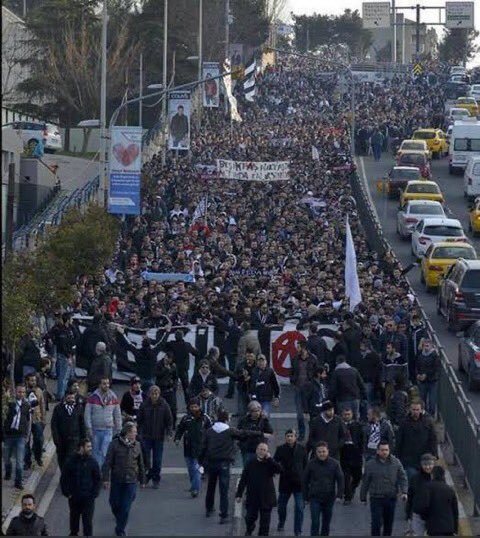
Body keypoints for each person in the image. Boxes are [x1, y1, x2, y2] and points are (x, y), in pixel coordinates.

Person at [199, 410, 264, 524]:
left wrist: (201, 462)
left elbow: (203, 447)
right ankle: (223, 514)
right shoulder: (229, 431)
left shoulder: (209, 431)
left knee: (211, 486)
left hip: (212, 462)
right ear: (226, 419)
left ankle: (209, 508)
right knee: (224, 489)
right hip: (224, 463)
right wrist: (259, 433)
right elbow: (244, 433)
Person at [102, 422, 146, 537]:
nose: (136, 434)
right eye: (134, 432)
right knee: (114, 503)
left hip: (131, 480)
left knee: (125, 507)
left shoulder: (137, 445)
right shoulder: (115, 444)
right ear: (128, 433)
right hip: (117, 479)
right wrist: (106, 479)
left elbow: (141, 464)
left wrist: (142, 480)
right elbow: (107, 462)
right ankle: (120, 518)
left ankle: (120, 529)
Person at [360, 442, 408, 537]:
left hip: (390, 497)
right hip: (376, 497)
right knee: (376, 523)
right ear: (377, 451)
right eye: (382, 450)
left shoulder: (396, 462)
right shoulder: (370, 464)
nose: (384, 452)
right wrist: (363, 497)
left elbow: (403, 477)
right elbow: (365, 481)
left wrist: (404, 491)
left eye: (386, 450)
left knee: (388, 523)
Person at [235, 442, 283, 536]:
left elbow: (280, 470)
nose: (262, 451)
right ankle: (250, 528)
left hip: (266, 498)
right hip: (253, 497)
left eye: (264, 450)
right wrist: (239, 494)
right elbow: (243, 479)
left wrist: (270, 459)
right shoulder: (250, 462)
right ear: (257, 450)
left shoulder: (270, 463)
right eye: (260, 449)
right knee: (249, 518)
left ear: (267, 452)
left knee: (265, 525)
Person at [60, 438, 101, 537]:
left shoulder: (93, 462)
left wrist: (94, 493)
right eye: (88, 446)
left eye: (90, 446)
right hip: (74, 497)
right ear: (81, 448)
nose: (90, 449)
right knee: (74, 520)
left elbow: (97, 479)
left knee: (87, 523)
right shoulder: (70, 462)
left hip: (88, 498)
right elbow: (64, 478)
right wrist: (67, 493)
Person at [302, 441, 344, 536]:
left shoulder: (335, 464)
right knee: (315, 522)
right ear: (316, 452)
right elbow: (304, 480)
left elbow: (341, 480)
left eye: (324, 451)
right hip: (314, 498)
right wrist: (305, 497)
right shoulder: (311, 464)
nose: (322, 454)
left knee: (326, 523)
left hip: (329, 498)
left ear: (327, 451)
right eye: (319, 452)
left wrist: (339, 495)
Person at [174, 398, 213, 497]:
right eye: (192, 407)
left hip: (200, 449)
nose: (194, 409)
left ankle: (195, 488)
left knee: (197, 469)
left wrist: (210, 443)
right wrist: (177, 438)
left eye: (196, 406)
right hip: (188, 447)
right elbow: (180, 429)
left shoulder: (205, 418)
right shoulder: (186, 418)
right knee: (191, 469)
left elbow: (211, 430)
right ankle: (194, 484)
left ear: (199, 407)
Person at [136, 385, 173, 488]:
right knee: (145, 459)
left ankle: (155, 478)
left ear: (159, 394)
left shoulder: (164, 405)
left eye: (156, 393)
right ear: (149, 394)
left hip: (159, 437)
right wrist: (138, 433)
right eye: (153, 393)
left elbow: (169, 421)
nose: (154, 396)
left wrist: (169, 433)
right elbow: (139, 420)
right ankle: (146, 476)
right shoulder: (144, 405)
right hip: (146, 436)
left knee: (157, 460)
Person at [274, 429, 308, 536]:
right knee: (281, 507)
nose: (289, 438)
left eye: (291, 436)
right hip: (285, 482)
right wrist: (278, 470)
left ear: (295, 437)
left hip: (299, 483)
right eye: (288, 436)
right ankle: (281, 522)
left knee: (299, 508)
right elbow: (275, 462)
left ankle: (297, 530)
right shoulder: (280, 449)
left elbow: (306, 465)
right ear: (285, 437)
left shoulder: (302, 449)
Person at [395, 399, 437, 482]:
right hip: (408, 458)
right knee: (412, 479)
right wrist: (397, 455)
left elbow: (433, 438)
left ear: (421, 410)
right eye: (413, 409)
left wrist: (434, 454)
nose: (415, 412)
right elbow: (399, 440)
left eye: (417, 409)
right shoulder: (404, 423)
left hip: (424, 457)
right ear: (410, 410)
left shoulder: (428, 422)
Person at [85, 377, 122, 468]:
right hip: (95, 430)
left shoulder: (113, 397)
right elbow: (87, 414)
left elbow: (117, 413)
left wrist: (119, 428)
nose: (106, 385)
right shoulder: (93, 397)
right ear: (99, 385)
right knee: (96, 453)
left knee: (105, 453)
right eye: (104, 383)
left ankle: (103, 473)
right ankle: (97, 473)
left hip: (108, 430)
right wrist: (89, 427)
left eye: (107, 383)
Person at [416, 465, 459, 537]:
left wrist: (425, 518)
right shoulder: (450, 490)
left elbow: (422, 507)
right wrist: (455, 529)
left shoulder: (427, 488)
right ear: (443, 475)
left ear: (432, 475)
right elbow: (455, 511)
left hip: (434, 527)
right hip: (449, 528)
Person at [3, 383, 31, 489]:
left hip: (20, 436)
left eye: (23, 392)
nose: (21, 394)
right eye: (19, 392)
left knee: (19, 461)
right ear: (15, 392)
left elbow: (28, 420)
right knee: (6, 458)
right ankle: (8, 471)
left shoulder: (27, 405)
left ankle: (18, 481)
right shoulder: (10, 403)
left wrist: (27, 435)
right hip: (9, 435)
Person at [51, 390, 86, 471]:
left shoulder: (79, 408)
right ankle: (64, 477)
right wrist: (56, 439)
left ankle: (70, 478)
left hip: (74, 439)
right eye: (69, 397)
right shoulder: (58, 408)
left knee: (70, 459)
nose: (71, 399)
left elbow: (82, 424)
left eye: (73, 397)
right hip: (61, 440)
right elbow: (54, 425)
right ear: (65, 397)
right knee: (62, 460)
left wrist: (83, 439)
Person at [290, 340, 317, 441]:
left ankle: (313, 434)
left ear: (303, 348)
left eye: (298, 347)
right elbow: (292, 371)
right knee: (300, 414)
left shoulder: (313, 359)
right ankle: (302, 434)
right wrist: (293, 380)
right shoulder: (295, 359)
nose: (297, 349)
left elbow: (316, 371)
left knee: (311, 413)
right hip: (298, 388)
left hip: (310, 389)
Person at [164, 330, 200, 406]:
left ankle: (172, 405)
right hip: (184, 370)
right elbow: (196, 353)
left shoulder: (171, 344)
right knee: (186, 389)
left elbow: (162, 345)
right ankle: (189, 405)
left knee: (173, 389)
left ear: (175, 336)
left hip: (174, 369)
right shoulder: (187, 345)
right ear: (183, 336)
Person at [328, 355, 366, 419]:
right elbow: (361, 384)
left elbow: (333, 389)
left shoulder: (336, 373)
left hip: (342, 400)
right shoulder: (354, 370)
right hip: (355, 399)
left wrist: (330, 399)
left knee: (344, 420)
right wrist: (363, 396)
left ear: (337, 362)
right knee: (355, 419)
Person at [237, 400, 274, 467]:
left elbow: (270, 431)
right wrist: (261, 434)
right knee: (248, 467)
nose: (257, 413)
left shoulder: (263, 420)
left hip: (260, 448)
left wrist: (266, 420)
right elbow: (244, 432)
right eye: (255, 411)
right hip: (248, 448)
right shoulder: (244, 421)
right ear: (250, 412)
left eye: (258, 410)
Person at [405, 453, 434, 536]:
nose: (428, 467)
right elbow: (410, 496)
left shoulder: (437, 478)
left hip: (433, 513)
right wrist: (408, 514)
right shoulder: (415, 479)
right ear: (421, 465)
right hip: (417, 514)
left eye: (430, 464)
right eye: (425, 464)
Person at [340, 407, 365, 505]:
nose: (347, 416)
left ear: (352, 415)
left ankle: (352, 488)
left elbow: (362, 438)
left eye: (348, 414)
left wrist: (361, 450)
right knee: (345, 476)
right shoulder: (340, 425)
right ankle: (347, 496)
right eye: (345, 414)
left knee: (357, 475)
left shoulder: (358, 425)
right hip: (344, 451)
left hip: (355, 452)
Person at [24, 372, 46, 470]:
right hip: (25, 420)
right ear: (27, 381)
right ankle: (27, 462)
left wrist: (43, 419)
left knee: (39, 439)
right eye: (31, 380)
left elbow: (42, 405)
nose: (33, 382)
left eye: (34, 380)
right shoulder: (23, 391)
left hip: (37, 419)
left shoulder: (39, 391)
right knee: (26, 443)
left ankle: (38, 457)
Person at [415, 339, 440, 417]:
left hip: (432, 381)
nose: (426, 347)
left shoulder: (435, 355)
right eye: (424, 346)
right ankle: (424, 417)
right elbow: (417, 366)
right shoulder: (420, 355)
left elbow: (435, 368)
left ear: (431, 346)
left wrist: (426, 375)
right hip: (423, 381)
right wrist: (418, 374)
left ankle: (431, 417)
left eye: (427, 346)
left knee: (432, 402)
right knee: (422, 400)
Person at [155, 351, 178, 428]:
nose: (169, 361)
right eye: (168, 359)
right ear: (165, 357)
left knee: (173, 409)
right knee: (160, 408)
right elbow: (157, 375)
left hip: (170, 389)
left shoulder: (173, 366)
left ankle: (172, 425)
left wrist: (174, 386)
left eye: (171, 360)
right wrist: (166, 370)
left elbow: (175, 377)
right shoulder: (159, 364)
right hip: (161, 389)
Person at [235, 349, 257, 417]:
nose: (249, 358)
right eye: (248, 356)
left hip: (254, 389)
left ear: (254, 357)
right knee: (242, 410)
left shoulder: (257, 365)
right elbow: (235, 375)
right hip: (243, 388)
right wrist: (242, 375)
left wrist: (250, 377)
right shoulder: (241, 365)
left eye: (251, 356)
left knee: (254, 409)